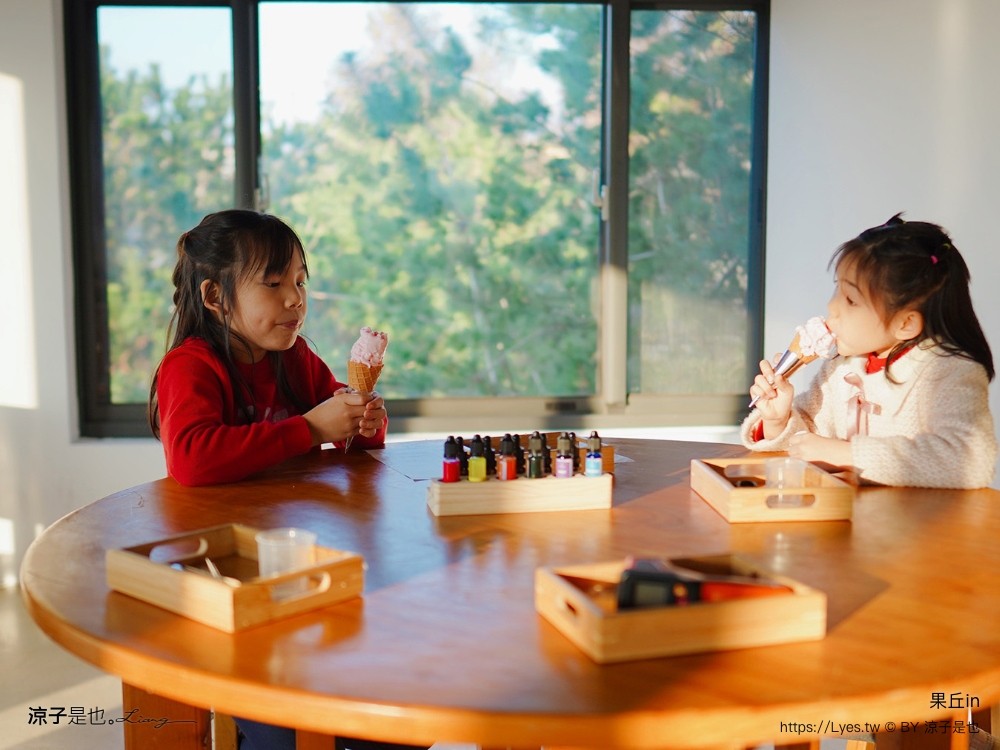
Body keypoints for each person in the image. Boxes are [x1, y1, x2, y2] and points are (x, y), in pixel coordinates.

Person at [743, 213, 997, 489]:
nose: (832, 308)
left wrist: (846, 454)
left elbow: (971, 460)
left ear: (905, 323)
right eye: (837, 290)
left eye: (851, 299)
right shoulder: (842, 366)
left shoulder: (950, 371)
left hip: (919, 526)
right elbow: (809, 441)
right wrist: (778, 421)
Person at [148, 209, 388, 486]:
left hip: (293, 525)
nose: (296, 298)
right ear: (216, 296)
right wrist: (310, 430)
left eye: (300, 282)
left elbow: (352, 440)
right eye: (273, 283)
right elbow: (191, 461)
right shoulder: (189, 365)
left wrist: (364, 420)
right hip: (219, 524)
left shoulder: (296, 357)